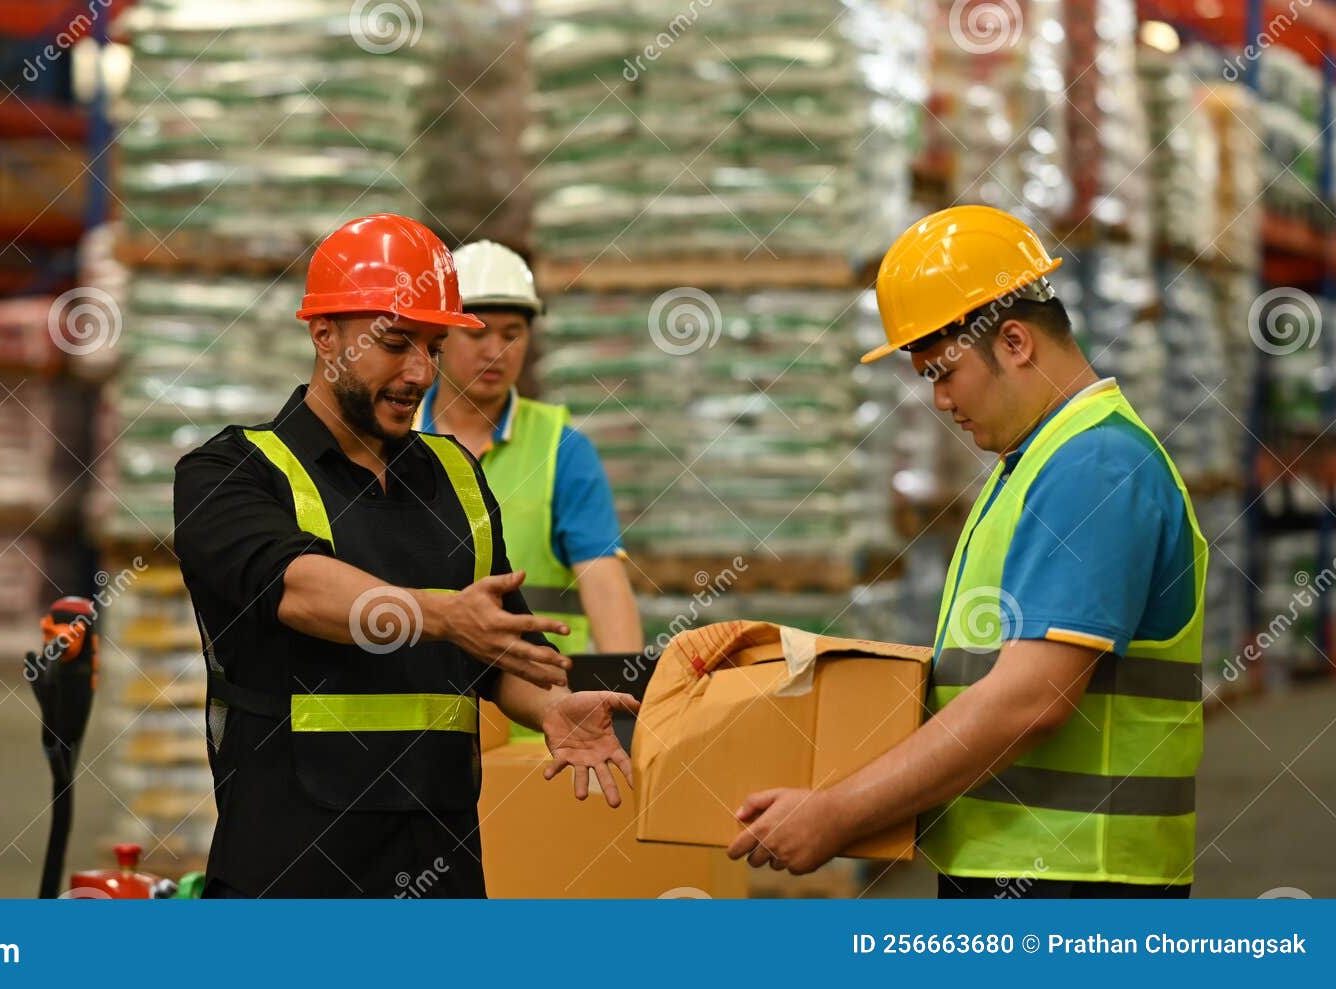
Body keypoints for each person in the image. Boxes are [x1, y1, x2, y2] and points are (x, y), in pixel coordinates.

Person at [727, 205, 1206, 898]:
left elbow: (1030, 700)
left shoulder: (1092, 466)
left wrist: (839, 812)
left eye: (943, 373)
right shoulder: (1036, 464)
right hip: (1033, 868)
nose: (941, 401)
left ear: (1013, 342)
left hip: (1073, 882)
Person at [173, 214, 638, 898]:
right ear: (324, 334)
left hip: (441, 866)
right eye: (395, 343)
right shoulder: (231, 472)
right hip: (291, 871)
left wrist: (550, 706)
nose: (420, 372)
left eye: (434, 346)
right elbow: (298, 589)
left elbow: (496, 649)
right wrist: (444, 617)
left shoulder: (456, 476)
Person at [417, 240, 642, 659]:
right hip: (423, 696)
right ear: (439, 336)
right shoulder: (391, 437)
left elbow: (605, 585)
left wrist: (629, 691)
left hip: (540, 698)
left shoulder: (562, 451)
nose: (495, 351)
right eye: (477, 332)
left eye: (512, 334)